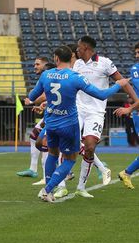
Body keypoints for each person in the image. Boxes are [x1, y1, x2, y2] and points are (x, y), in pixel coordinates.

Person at [27, 45, 129, 202]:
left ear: (56, 58)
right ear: (71, 58)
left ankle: (49, 188)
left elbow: (32, 96)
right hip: (69, 124)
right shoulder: (75, 77)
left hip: (51, 123)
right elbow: (101, 95)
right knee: (69, 159)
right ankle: (47, 189)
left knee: (53, 155)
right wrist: (118, 85)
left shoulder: (46, 75)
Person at [72, 36, 138, 198]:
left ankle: (81, 187)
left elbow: (123, 82)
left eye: (79, 47)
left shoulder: (105, 63)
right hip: (78, 109)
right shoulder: (77, 64)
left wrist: (135, 103)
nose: (77, 50)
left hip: (96, 112)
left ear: (86, 48)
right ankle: (59, 185)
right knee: (66, 139)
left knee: (89, 147)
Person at [18, 57, 49, 179]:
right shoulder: (43, 78)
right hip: (51, 113)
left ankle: (100, 166)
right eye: (34, 64)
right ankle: (33, 169)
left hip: (60, 115)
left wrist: (31, 100)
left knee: (75, 146)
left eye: (37, 64)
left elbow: (45, 95)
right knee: (35, 136)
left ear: (45, 65)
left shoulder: (49, 75)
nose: (35, 66)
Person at [116, 42, 139, 189]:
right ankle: (126, 172)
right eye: (136, 53)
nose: (136, 56)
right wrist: (130, 109)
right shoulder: (136, 69)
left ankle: (127, 172)